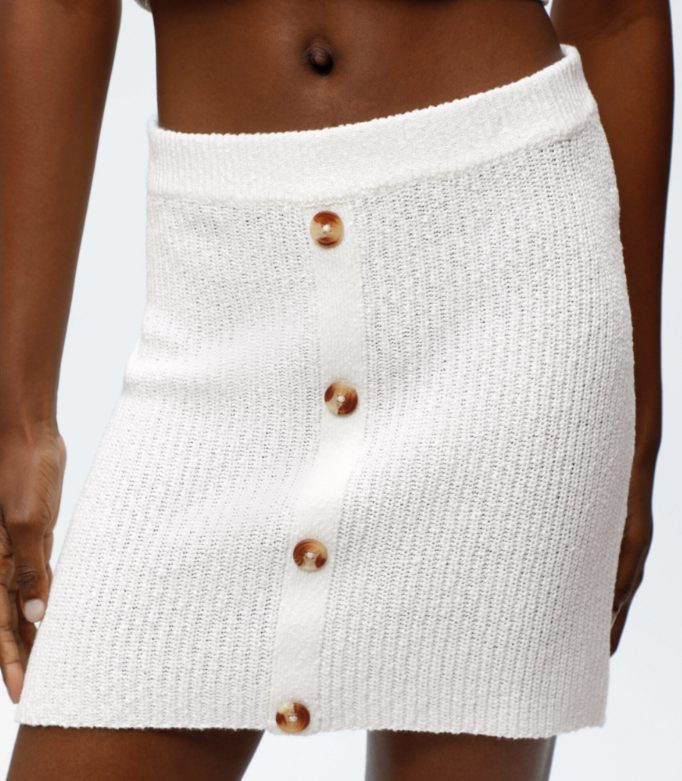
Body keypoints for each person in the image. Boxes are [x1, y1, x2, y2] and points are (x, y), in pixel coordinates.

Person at [0, 1, 673, 779]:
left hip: (507, 278)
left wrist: (637, 412)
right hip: (223, 288)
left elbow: (620, 13)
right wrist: (20, 413)